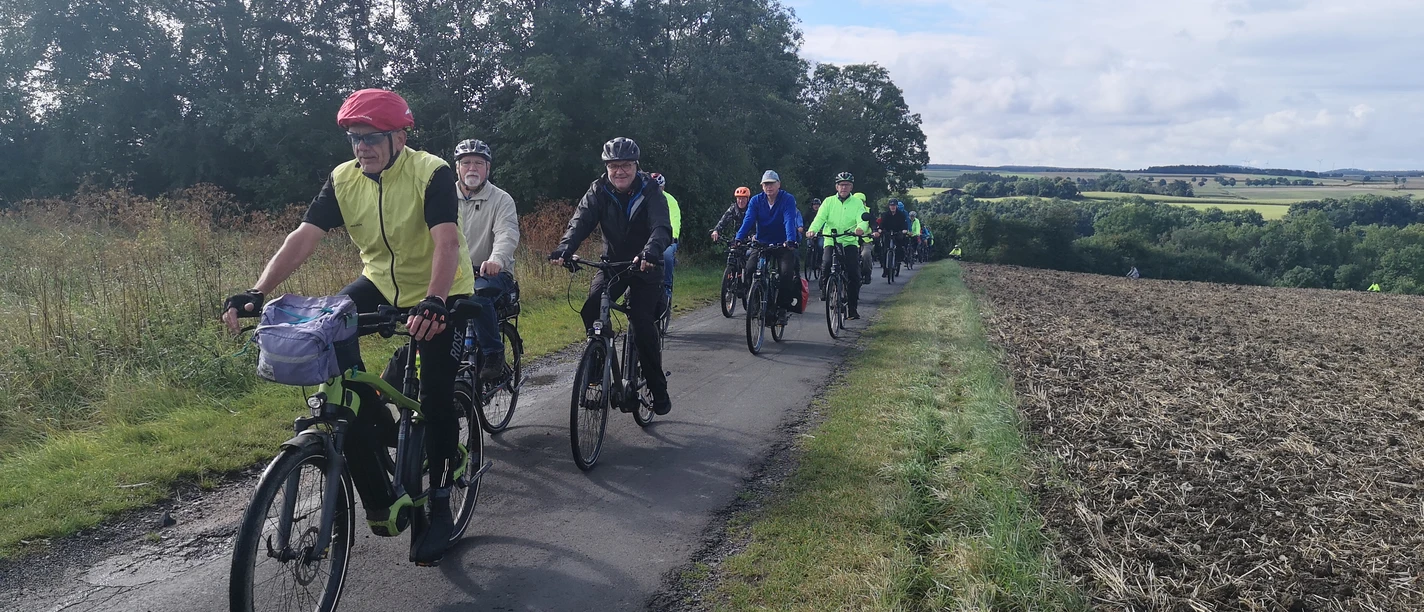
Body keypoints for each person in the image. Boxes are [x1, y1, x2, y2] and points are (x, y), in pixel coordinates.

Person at [220, 88, 471, 565]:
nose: (363, 147)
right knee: (329, 328)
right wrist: (259, 290)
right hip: (379, 282)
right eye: (355, 138)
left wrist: (437, 301)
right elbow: (304, 237)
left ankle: (439, 504)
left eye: (373, 137)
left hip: (442, 289)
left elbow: (447, 243)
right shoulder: (343, 179)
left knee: (436, 398)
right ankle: (371, 416)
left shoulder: (431, 171)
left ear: (400, 136)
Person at [549, 137, 673, 415]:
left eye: (625, 166)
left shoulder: (651, 190)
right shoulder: (599, 190)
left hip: (646, 265)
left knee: (642, 324)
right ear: (606, 167)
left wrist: (651, 252)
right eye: (613, 166)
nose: (620, 172)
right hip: (613, 264)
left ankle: (657, 387)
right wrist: (566, 248)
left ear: (635, 166)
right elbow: (580, 221)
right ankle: (596, 365)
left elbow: (661, 227)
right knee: (592, 306)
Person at [453, 139, 519, 381]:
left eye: (479, 163)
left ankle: (494, 354)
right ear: (457, 167)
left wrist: (496, 260)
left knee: (478, 296)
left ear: (488, 169)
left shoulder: (501, 200)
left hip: (491, 274)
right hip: (454, 274)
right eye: (466, 163)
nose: (472, 168)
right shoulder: (444, 197)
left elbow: (507, 234)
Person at [735, 170, 800, 323]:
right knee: (750, 269)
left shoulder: (787, 199)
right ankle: (756, 301)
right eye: (766, 184)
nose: (769, 187)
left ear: (779, 184)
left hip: (782, 243)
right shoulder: (756, 201)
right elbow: (749, 220)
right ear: (762, 186)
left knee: (786, 273)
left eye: (772, 183)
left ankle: (782, 308)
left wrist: (790, 240)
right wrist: (738, 238)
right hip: (762, 242)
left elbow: (789, 219)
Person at [807, 172, 869, 319]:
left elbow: (863, 219)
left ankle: (852, 308)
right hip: (831, 239)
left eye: (847, 185)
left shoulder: (857, 203)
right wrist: (812, 230)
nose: (844, 187)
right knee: (826, 263)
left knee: (854, 273)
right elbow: (820, 218)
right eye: (841, 184)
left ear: (851, 187)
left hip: (849, 241)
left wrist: (860, 228)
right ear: (836, 186)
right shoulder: (828, 202)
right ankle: (825, 291)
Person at [650, 172, 680, 314]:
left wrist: (671, 238)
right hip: (648, 240)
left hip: (667, 239)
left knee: (667, 255)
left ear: (663, 187)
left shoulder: (671, 200)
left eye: (659, 187)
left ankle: (667, 287)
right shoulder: (643, 198)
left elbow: (674, 221)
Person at [874, 199, 910, 276]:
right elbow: (882, 224)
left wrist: (904, 230)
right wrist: (880, 229)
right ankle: (885, 270)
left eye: (894, 205)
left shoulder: (901, 215)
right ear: (889, 206)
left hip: (898, 233)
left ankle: (898, 262)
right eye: (891, 205)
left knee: (899, 248)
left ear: (896, 206)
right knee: (884, 251)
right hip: (887, 233)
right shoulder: (885, 214)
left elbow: (904, 224)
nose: (892, 207)